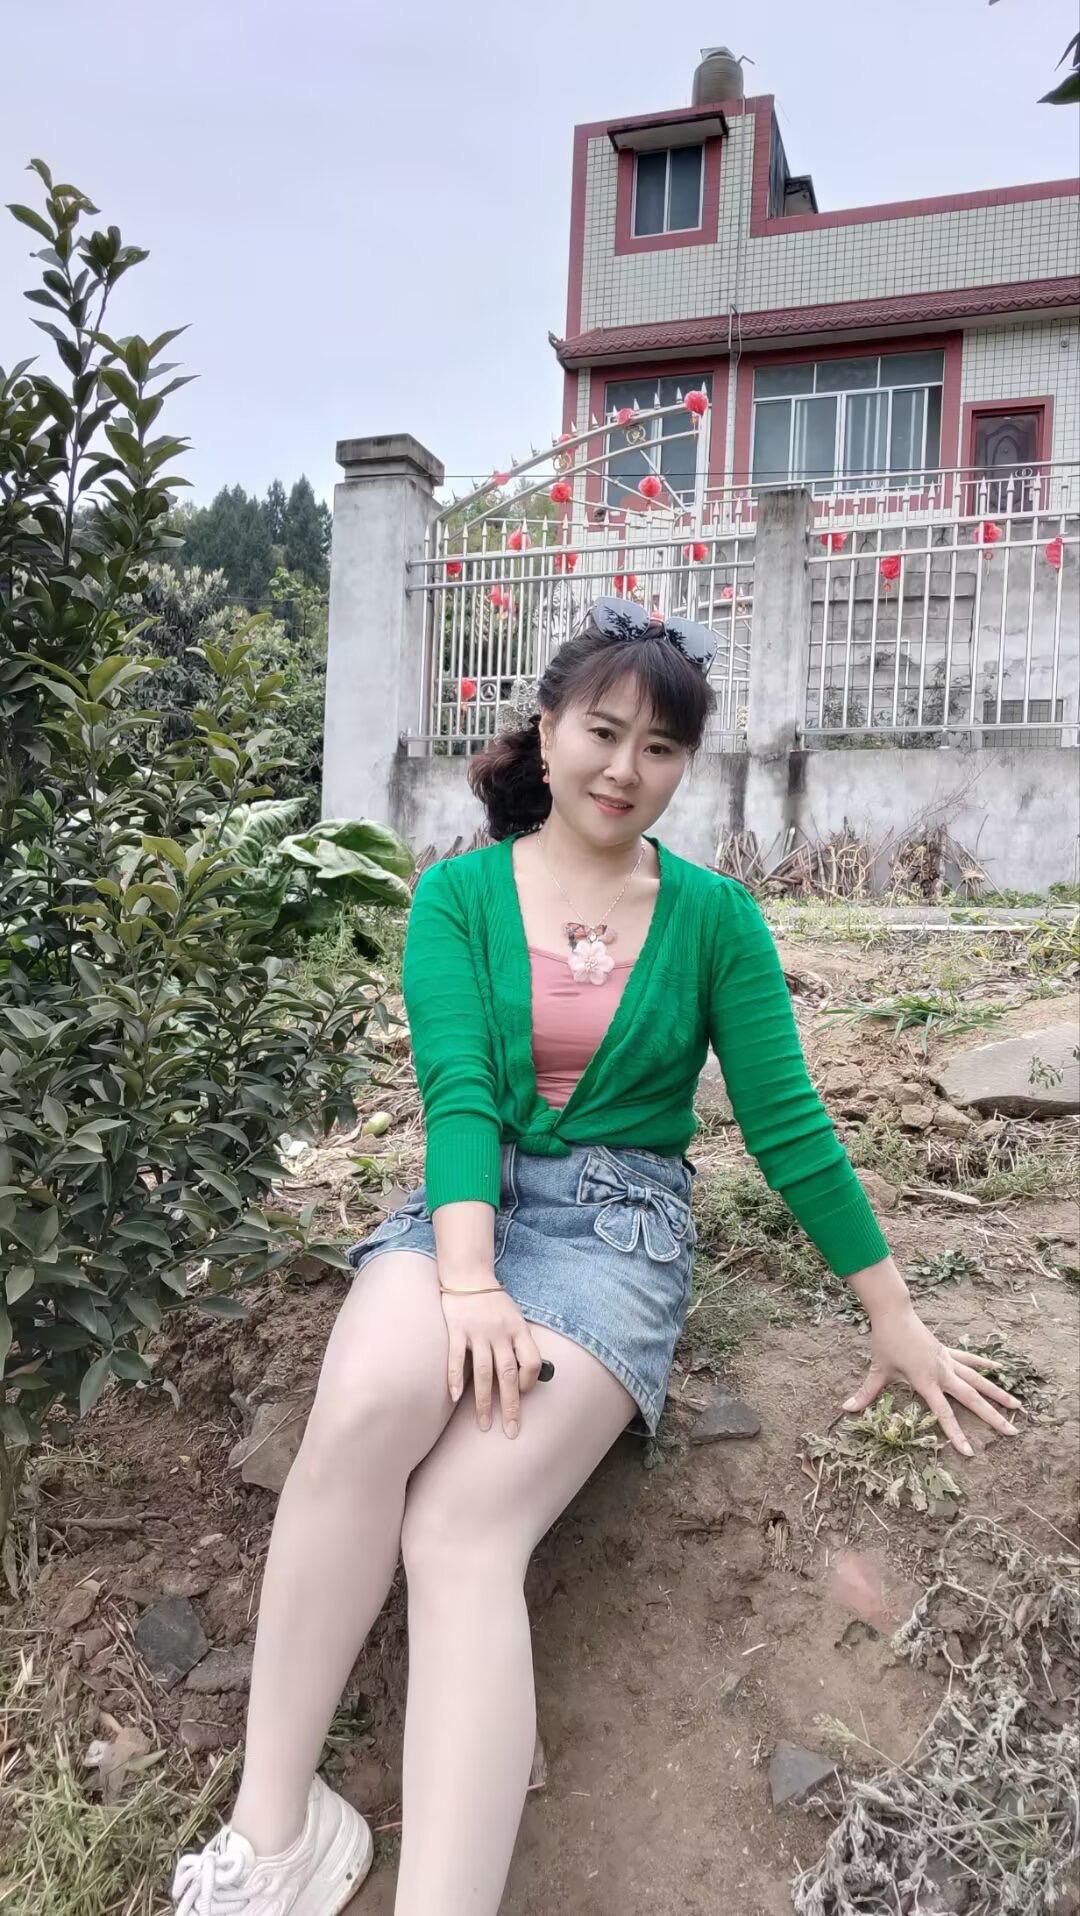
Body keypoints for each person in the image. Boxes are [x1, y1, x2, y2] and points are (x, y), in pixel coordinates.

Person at [171, 598, 1020, 1916]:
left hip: (619, 1234)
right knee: (368, 1403)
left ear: (685, 764)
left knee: (461, 1527)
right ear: (550, 727)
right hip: (468, 1208)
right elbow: (459, 1092)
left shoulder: (715, 919)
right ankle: (276, 1831)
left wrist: (892, 1314)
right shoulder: (457, 896)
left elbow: (789, 1122)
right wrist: (468, 1282)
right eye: (604, 732)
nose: (627, 769)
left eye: (661, 748)